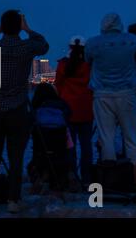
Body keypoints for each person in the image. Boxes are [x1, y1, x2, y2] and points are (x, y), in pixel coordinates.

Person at [0, 10, 49, 214]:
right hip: (18, 109)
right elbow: (43, 45)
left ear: (2, 26)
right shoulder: (26, 47)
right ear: (19, 26)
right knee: (16, 158)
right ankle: (13, 200)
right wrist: (27, 29)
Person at [85, 13, 136, 165]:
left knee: (106, 136)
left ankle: (109, 172)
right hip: (127, 93)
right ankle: (134, 173)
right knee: (131, 136)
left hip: (102, 94)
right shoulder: (133, 41)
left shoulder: (92, 43)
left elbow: (88, 60)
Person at [55, 36, 94, 185]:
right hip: (86, 110)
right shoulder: (89, 65)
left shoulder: (63, 64)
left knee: (70, 146)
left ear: (69, 47)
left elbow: (58, 85)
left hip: (68, 110)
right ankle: (87, 179)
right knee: (87, 146)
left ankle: (72, 177)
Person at [29, 83, 80, 193]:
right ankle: (70, 173)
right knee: (68, 136)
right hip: (61, 146)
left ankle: (42, 176)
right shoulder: (62, 105)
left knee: (38, 146)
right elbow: (69, 115)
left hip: (42, 148)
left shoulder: (36, 109)